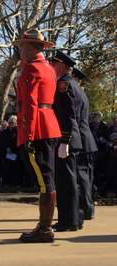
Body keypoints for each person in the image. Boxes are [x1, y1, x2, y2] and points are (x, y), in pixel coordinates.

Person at [14, 29, 61, 243]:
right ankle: (44, 226)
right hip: (49, 125)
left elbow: (30, 105)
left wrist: (29, 135)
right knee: (47, 179)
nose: (20, 49)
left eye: (23, 46)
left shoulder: (31, 69)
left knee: (44, 181)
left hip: (38, 129)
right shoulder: (49, 69)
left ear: (34, 48)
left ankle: (44, 229)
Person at [51, 51, 84, 231]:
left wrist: (64, 140)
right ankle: (75, 218)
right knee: (72, 181)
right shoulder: (74, 84)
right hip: (73, 138)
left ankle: (68, 221)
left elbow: (68, 115)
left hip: (67, 139)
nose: (52, 67)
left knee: (66, 182)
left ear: (63, 66)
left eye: (54, 64)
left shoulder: (64, 84)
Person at [72, 67, 98, 220]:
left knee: (82, 177)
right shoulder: (82, 93)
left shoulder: (77, 93)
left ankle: (86, 208)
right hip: (86, 140)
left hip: (81, 140)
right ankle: (88, 207)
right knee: (86, 176)